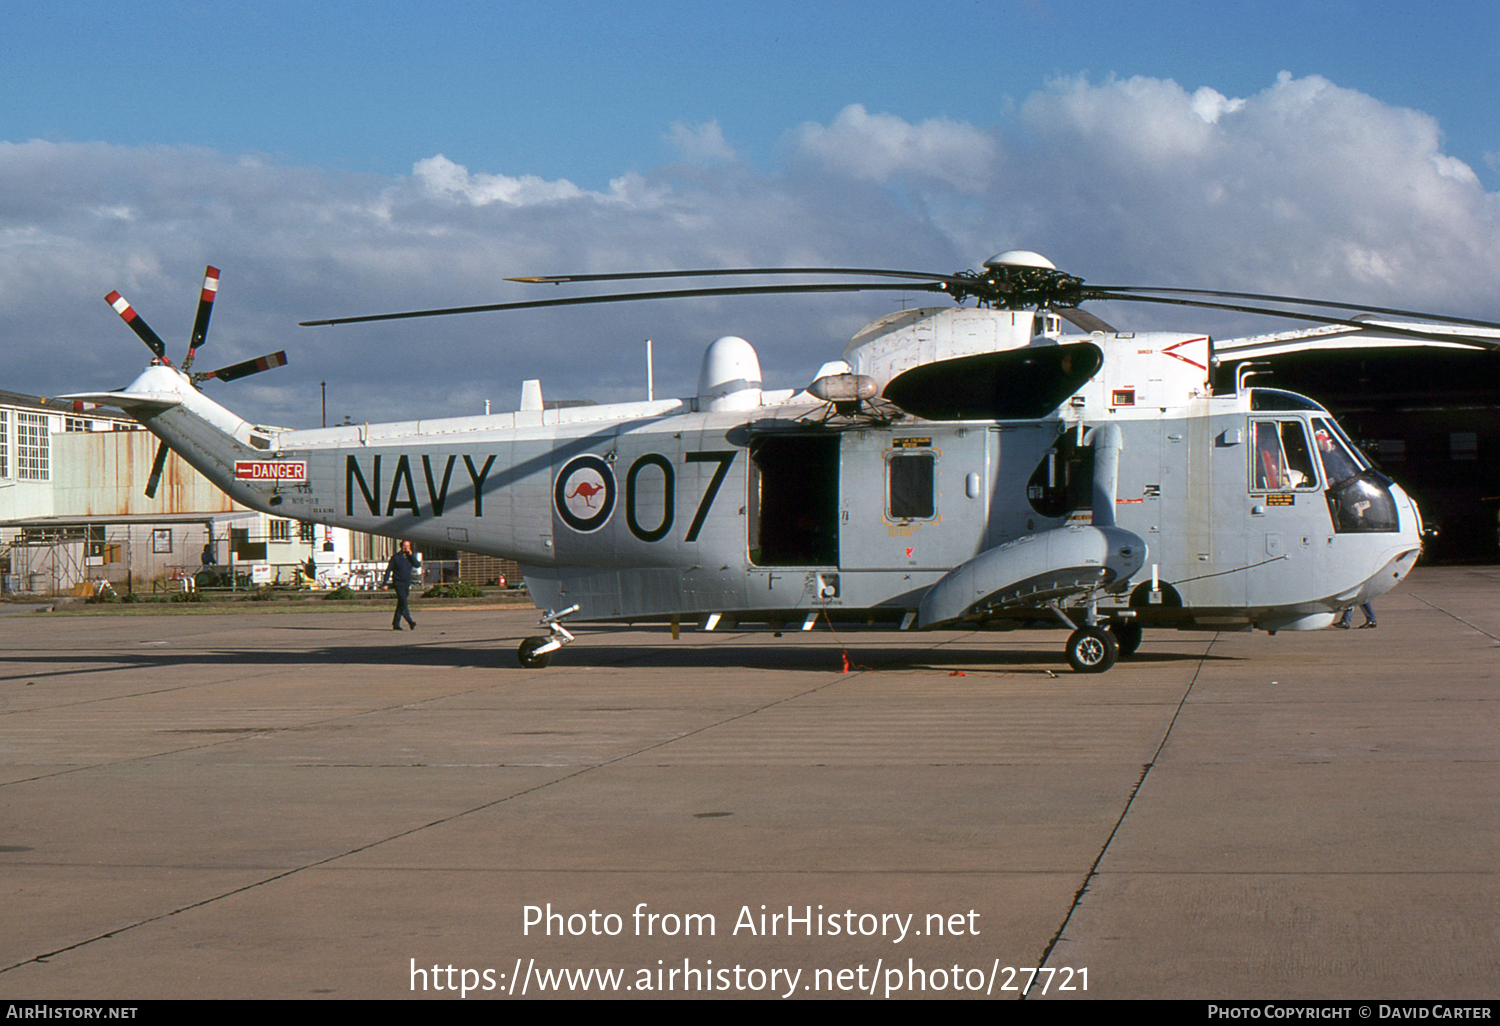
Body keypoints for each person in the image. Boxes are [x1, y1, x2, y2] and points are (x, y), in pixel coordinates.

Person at [382, 540, 421, 631]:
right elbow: (388, 570)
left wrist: (410, 555)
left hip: (406, 583)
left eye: (408, 546)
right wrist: (385, 583)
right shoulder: (396, 557)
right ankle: (410, 621)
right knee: (403, 602)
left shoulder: (409, 557)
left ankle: (395, 623)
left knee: (401, 603)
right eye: (404, 546)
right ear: (401, 546)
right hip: (398, 583)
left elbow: (417, 565)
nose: (406, 548)